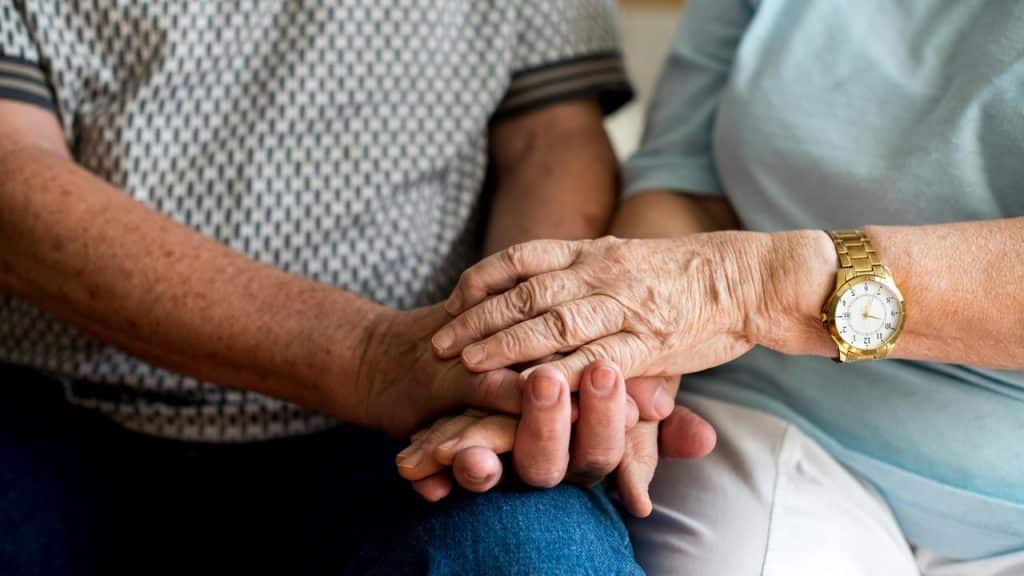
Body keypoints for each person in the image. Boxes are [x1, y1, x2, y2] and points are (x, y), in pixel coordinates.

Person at [0, 1, 709, 573]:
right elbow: (11, 177)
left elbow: (551, 139)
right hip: (57, 409)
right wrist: (369, 357)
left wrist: (529, 368)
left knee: (526, 551)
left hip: (411, 429)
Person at [413, 0, 1024, 574]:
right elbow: (682, 186)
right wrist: (603, 376)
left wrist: (749, 287)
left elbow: (727, 284)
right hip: (780, 429)